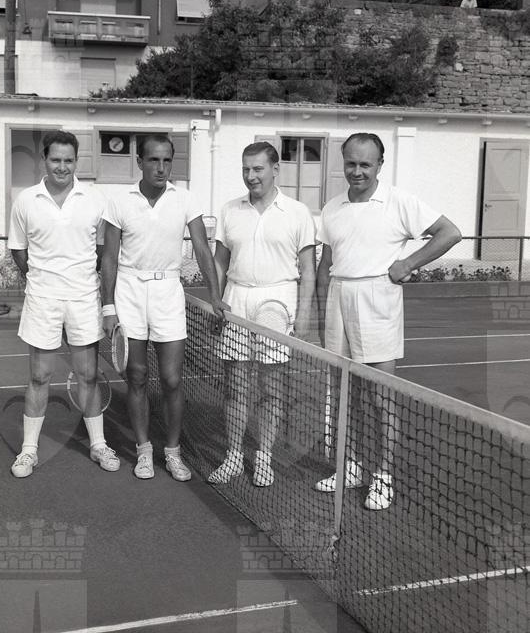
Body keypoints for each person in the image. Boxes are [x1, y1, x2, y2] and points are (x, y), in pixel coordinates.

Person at [315, 132, 461, 509]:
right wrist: (321, 315)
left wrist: (408, 263)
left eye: (365, 164)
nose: (357, 171)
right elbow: (326, 265)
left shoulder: (400, 202)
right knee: (343, 395)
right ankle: (350, 466)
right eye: (351, 163)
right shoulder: (331, 208)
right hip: (338, 299)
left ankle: (383, 476)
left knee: (381, 398)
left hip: (378, 299)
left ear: (380, 165)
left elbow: (450, 233)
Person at [101, 134, 226, 481]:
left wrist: (215, 296)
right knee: (137, 376)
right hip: (128, 291)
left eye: (167, 160)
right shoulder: (118, 201)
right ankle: (144, 451)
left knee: (172, 379)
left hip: (169, 291)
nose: (161, 167)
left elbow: (202, 248)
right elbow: (109, 258)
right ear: (140, 162)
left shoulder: (185, 199)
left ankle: (172, 452)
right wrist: (108, 307)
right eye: (153, 160)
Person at [8, 130, 120, 478]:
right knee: (39, 375)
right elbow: (18, 250)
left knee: (88, 374)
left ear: (76, 161)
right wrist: (41, 278)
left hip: (83, 298)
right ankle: (29, 451)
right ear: (44, 159)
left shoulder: (95, 199)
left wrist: (85, 282)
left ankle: (98, 445)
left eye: (68, 160)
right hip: (42, 299)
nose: (62, 166)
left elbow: (104, 250)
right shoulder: (26, 200)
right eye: (55, 159)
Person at [208, 141, 317, 487]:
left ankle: (264, 457)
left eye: (257, 168)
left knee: (272, 389)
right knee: (236, 387)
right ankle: (233, 457)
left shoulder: (298, 212)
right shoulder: (230, 209)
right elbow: (220, 262)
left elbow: (308, 269)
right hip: (236, 299)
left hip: (278, 301)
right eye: (246, 169)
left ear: (275, 169)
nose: (251, 176)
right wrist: (216, 299)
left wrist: (303, 314)